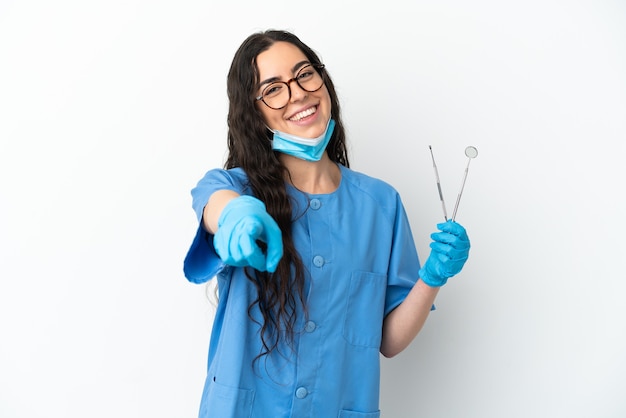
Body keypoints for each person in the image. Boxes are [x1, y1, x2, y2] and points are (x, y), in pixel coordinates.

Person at [183, 29, 470, 418]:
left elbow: (387, 339)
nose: (298, 93)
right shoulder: (236, 188)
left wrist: (432, 277)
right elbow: (212, 200)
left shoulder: (380, 204)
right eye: (273, 89)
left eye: (304, 74)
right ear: (254, 114)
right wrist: (234, 215)